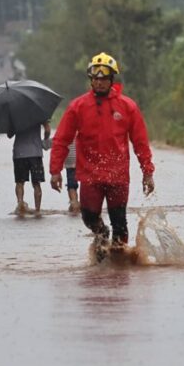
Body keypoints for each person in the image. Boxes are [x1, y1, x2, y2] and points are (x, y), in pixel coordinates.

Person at [49, 52, 154, 255]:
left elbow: (140, 143)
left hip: (118, 176)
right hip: (90, 176)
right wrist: (55, 171)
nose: (99, 82)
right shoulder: (77, 107)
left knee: (120, 223)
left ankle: (119, 266)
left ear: (111, 79)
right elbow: (61, 140)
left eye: (103, 78)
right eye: (95, 78)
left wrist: (147, 172)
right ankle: (101, 233)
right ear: (91, 79)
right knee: (88, 216)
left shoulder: (128, 107)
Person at [12, 120, 50, 216]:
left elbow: (9, 134)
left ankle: (20, 206)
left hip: (19, 153)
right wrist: (45, 138)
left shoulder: (14, 114)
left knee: (20, 182)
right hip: (35, 152)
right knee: (36, 183)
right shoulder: (37, 111)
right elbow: (48, 129)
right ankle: (37, 210)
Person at [64, 139, 79, 214]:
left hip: (70, 161)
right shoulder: (83, 129)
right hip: (82, 159)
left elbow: (57, 141)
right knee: (87, 183)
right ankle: (76, 204)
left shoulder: (66, 129)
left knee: (71, 185)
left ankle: (74, 205)